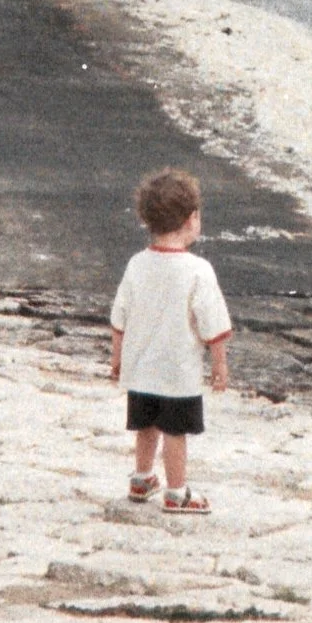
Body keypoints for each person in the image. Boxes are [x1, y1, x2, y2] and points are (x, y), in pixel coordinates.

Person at [110, 167, 232, 515]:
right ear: (192, 218)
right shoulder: (198, 270)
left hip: (140, 367)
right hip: (177, 372)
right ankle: (178, 493)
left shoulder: (137, 264)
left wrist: (117, 359)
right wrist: (219, 364)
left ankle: (142, 477)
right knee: (175, 432)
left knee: (145, 425)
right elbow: (213, 323)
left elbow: (120, 316)